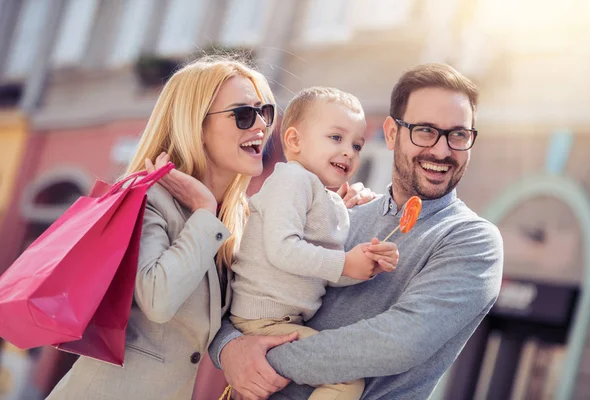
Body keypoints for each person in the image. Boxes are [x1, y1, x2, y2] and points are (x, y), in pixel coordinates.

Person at [46, 56, 374, 400]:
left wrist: (330, 208)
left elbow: (260, 290)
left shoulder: (237, 217)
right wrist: (205, 211)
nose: (261, 126)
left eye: (265, 113)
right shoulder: (150, 199)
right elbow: (159, 299)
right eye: (244, 115)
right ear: (196, 123)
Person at [208, 63, 504, 400]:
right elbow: (242, 282)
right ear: (392, 134)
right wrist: (228, 347)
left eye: (459, 135)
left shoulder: (471, 240)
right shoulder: (342, 211)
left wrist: (257, 360)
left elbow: (398, 342)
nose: (442, 150)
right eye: (425, 130)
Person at [228, 87, 399, 400]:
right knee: (346, 379)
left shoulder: (327, 198)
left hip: (281, 320)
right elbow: (284, 250)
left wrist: (364, 267)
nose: (349, 151)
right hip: (261, 320)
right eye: (336, 138)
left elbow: (319, 271)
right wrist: (346, 263)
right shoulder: (292, 180)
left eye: (357, 144)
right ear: (294, 141)